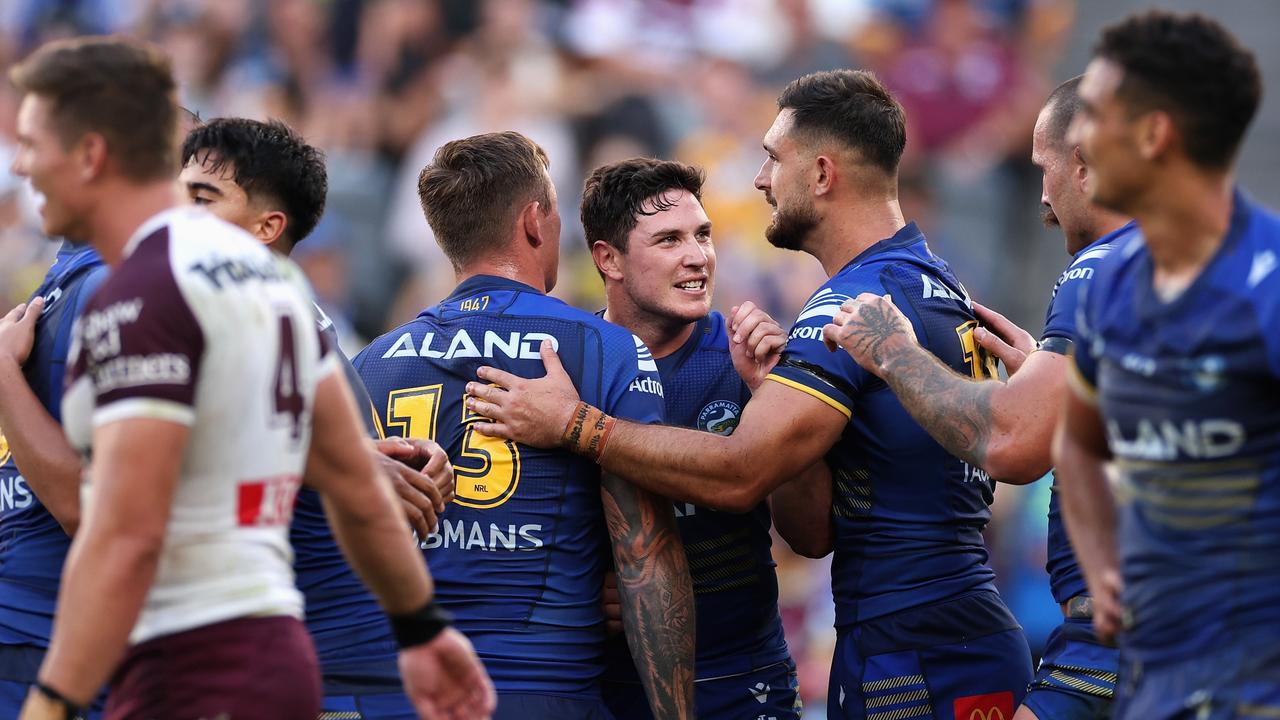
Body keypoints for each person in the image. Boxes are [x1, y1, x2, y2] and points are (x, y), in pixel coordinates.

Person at [465, 70, 1034, 720]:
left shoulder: (847, 306)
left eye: (772, 159)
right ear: (607, 259)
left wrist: (578, 426)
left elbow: (744, 474)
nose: (761, 180)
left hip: (904, 654)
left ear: (821, 175)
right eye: (670, 239)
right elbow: (814, 523)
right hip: (940, 633)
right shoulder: (932, 282)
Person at [8, 36, 493, 720]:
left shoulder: (139, 294)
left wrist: (54, 699)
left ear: (93, 156)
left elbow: (119, 529)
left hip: (188, 672)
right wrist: (421, 628)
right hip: (275, 656)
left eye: (32, 144)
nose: (20, 164)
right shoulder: (265, 285)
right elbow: (358, 484)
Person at [822, 76, 1136, 720]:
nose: (1043, 198)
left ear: (1083, 164)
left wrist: (893, 351)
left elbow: (1011, 447)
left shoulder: (1104, 267)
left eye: (1044, 169)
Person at [352, 131, 695, 720]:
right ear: (535, 221)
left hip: (406, 693)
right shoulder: (606, 349)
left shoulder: (372, 362)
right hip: (545, 688)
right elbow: (645, 556)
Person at [178, 116, 457, 719]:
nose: (178, 210)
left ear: (266, 227)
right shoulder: (298, 313)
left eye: (202, 197)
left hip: (324, 665)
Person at [1052, 11, 1279, 720]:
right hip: (1153, 687)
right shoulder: (1110, 285)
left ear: (1153, 135)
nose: (1076, 140)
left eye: (1091, 115)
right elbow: (1077, 445)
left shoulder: (1266, 288)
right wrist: (1103, 569)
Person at [578, 157, 800, 720]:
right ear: (609, 259)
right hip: (607, 681)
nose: (697, 256)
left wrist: (773, 398)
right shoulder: (566, 367)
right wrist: (583, 591)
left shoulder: (748, 355)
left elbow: (812, 533)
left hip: (743, 673)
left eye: (703, 235)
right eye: (669, 239)